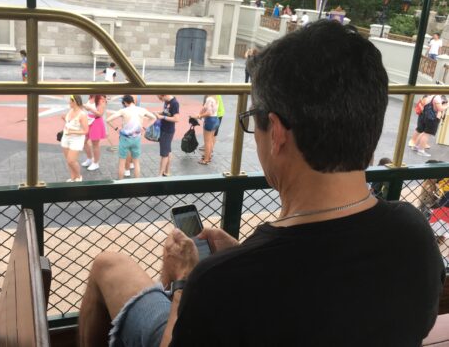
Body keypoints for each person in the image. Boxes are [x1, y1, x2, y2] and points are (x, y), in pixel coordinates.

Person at [79, 20, 445, 347]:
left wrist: (184, 283)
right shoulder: (415, 235)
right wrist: (240, 254)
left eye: (254, 119)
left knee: (107, 265)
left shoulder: (219, 283)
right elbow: (320, 291)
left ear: (278, 133)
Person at [106, 95, 157, 179]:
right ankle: (137, 183)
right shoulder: (142, 110)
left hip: (125, 139)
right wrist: (144, 127)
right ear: (133, 101)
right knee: (136, 162)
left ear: (125, 102)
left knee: (122, 162)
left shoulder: (123, 111)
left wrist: (116, 128)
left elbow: (108, 120)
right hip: (136, 138)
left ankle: (121, 183)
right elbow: (154, 118)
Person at [60, 95, 89, 182]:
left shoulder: (82, 115)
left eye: (70, 101)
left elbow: (85, 131)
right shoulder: (70, 111)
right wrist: (64, 119)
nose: (69, 102)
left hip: (76, 139)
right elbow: (70, 122)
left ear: (74, 102)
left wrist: (72, 132)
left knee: (71, 160)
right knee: (68, 161)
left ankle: (78, 176)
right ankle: (73, 178)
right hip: (66, 137)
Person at [155, 95, 180, 176]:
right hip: (165, 129)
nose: (160, 100)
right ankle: (167, 172)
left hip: (167, 131)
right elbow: (167, 112)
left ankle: (159, 175)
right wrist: (158, 113)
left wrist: (162, 117)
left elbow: (176, 119)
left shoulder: (174, 103)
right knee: (168, 151)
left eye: (160, 98)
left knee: (164, 154)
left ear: (164, 95)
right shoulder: (167, 101)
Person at [82, 94, 107, 172]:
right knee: (84, 141)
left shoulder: (101, 99)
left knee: (95, 144)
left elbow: (100, 113)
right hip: (88, 120)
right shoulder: (91, 96)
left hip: (96, 122)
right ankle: (89, 158)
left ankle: (96, 163)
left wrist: (89, 108)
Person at [193, 94, 219, 165]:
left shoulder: (209, 99)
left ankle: (206, 159)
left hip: (210, 120)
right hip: (216, 119)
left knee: (207, 141)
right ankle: (208, 157)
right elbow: (206, 109)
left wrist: (199, 116)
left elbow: (209, 112)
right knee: (210, 140)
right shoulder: (215, 97)